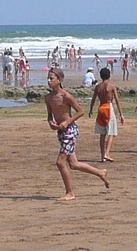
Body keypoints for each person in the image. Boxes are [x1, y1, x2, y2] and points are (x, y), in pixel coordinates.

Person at [44, 66, 109, 201]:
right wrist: (51, 123)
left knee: (60, 162)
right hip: (61, 132)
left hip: (70, 131)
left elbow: (80, 111)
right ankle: (100, 172)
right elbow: (50, 116)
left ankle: (70, 193)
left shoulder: (66, 96)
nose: (49, 81)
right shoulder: (48, 98)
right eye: (48, 79)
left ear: (59, 80)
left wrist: (67, 122)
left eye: (51, 78)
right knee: (74, 164)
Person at [90, 66, 124, 162]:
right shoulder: (111, 86)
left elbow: (93, 99)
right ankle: (107, 153)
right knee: (111, 132)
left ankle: (102, 156)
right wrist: (121, 114)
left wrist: (91, 110)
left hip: (101, 108)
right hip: (108, 107)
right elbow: (117, 101)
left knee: (102, 133)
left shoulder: (98, 87)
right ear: (109, 76)